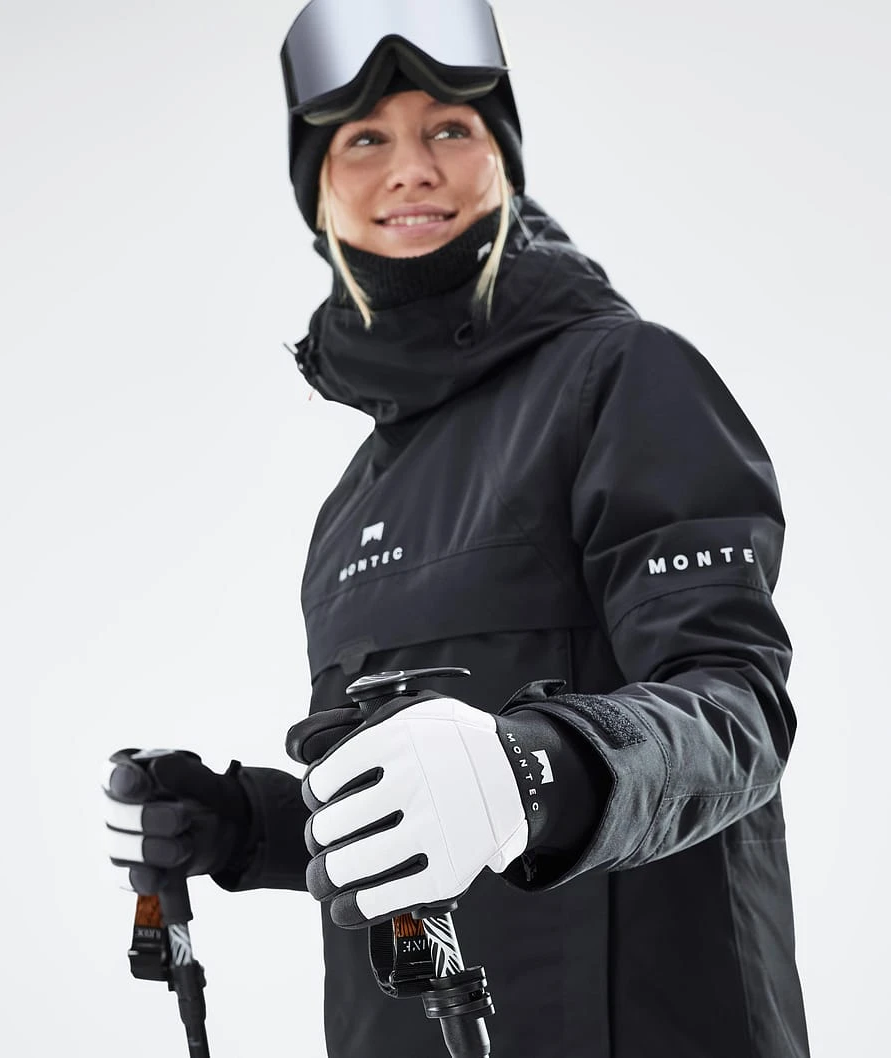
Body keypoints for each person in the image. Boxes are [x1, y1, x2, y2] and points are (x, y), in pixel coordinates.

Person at [102, 2, 811, 1056]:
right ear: (318, 194)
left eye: (450, 128)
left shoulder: (624, 378)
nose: (411, 169)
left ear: (502, 160)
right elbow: (420, 810)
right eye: (364, 140)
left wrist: (538, 768)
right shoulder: (356, 496)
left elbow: (736, 712)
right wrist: (247, 825)